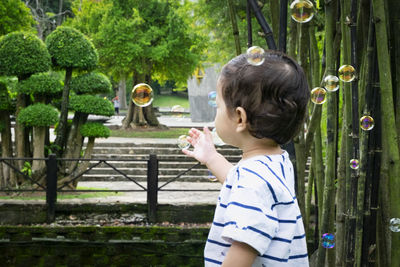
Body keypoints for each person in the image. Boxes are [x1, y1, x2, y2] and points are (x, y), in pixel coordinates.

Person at [182, 50, 310, 266]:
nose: (217, 112)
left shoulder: (253, 181)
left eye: (219, 106)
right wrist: (211, 157)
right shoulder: (277, 161)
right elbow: (236, 180)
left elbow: (245, 245)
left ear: (240, 117)